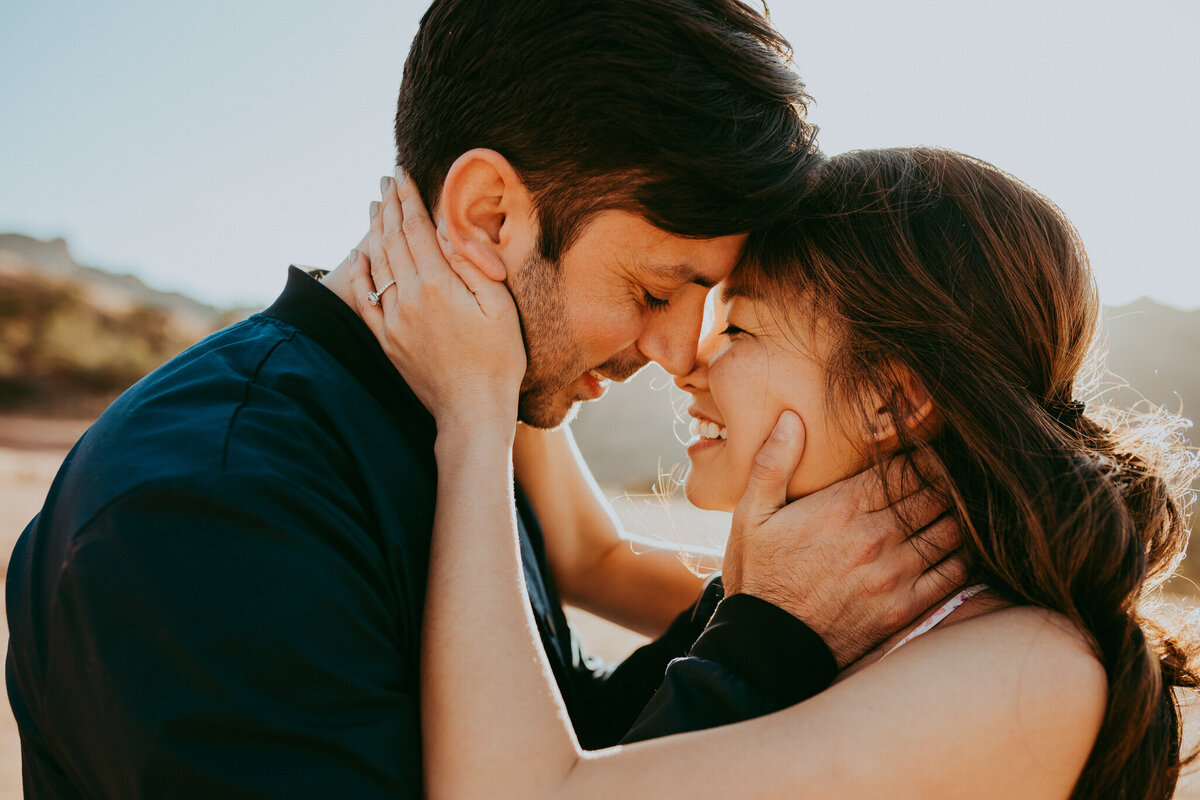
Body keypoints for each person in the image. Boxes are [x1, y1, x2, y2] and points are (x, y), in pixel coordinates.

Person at [5, 2, 960, 797]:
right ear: (489, 215)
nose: (680, 353)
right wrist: (762, 649)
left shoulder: (439, 414)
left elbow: (551, 735)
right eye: (655, 291)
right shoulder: (215, 507)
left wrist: (760, 604)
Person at [352, 146, 1200, 799]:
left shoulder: (1024, 671)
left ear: (892, 400)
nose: (686, 360)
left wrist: (473, 414)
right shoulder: (843, 585)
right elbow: (587, 558)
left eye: (741, 331)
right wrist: (505, 314)